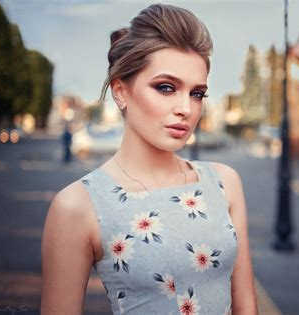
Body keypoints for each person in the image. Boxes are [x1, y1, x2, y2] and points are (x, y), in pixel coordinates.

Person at [41, 4, 258, 314]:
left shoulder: (224, 183)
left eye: (197, 93)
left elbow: (246, 306)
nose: (186, 107)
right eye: (166, 87)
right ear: (121, 92)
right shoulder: (78, 206)